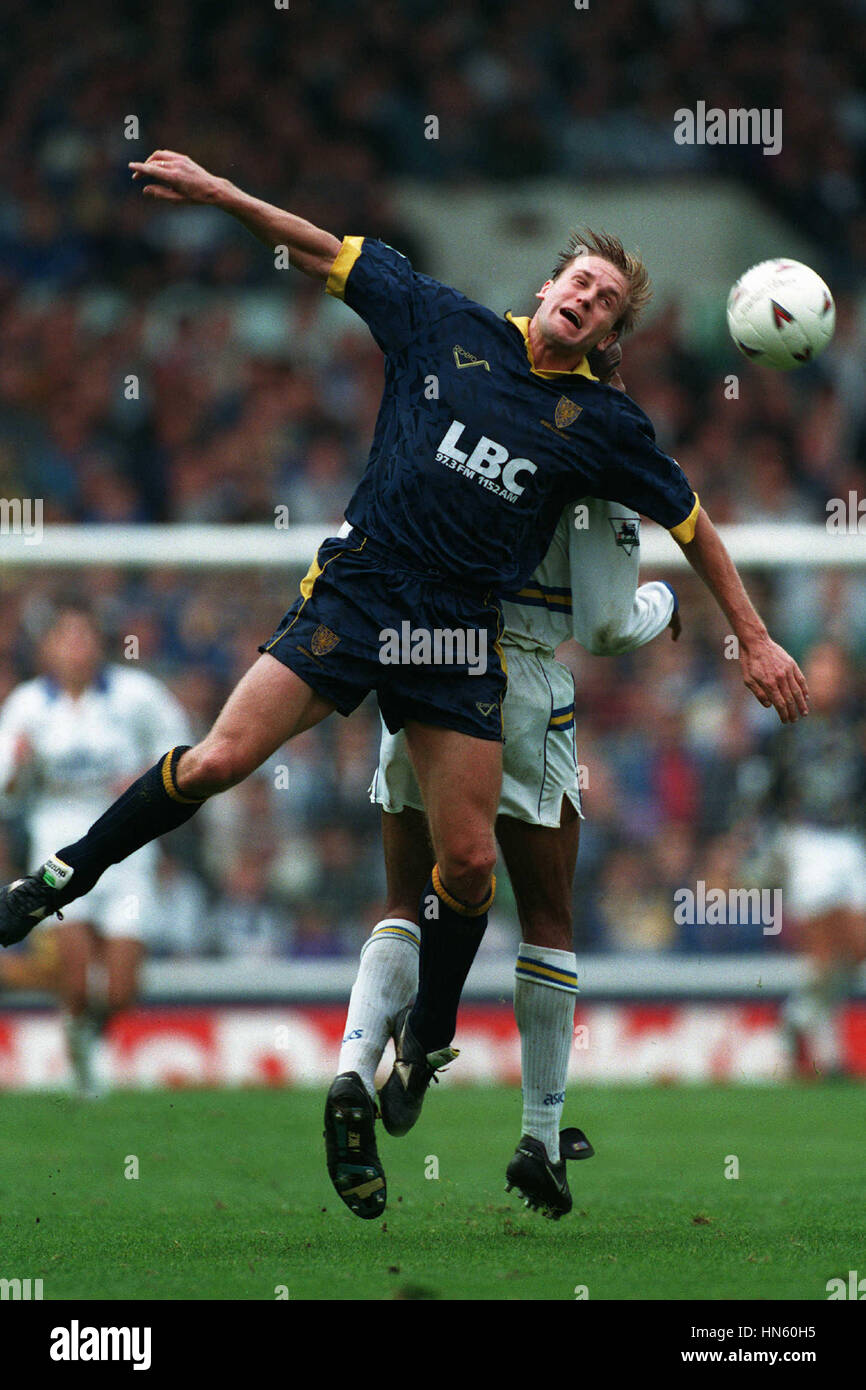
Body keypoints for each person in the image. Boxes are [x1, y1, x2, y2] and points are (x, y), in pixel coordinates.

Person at [0, 152, 806, 1131]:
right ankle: (57, 880)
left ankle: (420, 1043)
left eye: (603, 304)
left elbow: (691, 525)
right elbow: (314, 248)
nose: (585, 301)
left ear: (604, 334)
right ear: (546, 284)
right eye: (578, 282)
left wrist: (755, 642)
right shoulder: (440, 319)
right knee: (219, 758)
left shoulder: (599, 422)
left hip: (457, 635)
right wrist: (222, 195)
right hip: (359, 591)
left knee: (465, 866)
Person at [325, 426, 682, 1219]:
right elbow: (607, 628)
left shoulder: (466, 417)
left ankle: (353, 1066)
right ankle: (540, 1138)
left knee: (403, 901)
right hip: (518, 683)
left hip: (422, 661)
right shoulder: (603, 458)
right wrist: (668, 600)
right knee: (548, 916)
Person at [0, 604, 190, 1094]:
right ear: (48, 648)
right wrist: (18, 769)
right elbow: (9, 793)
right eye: (64, 637)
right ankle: (79, 1049)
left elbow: (182, 750)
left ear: (99, 644)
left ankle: (84, 1031)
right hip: (58, 846)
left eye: (83, 636)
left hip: (127, 848)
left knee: (122, 990)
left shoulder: (137, 695)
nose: (75, 647)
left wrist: (149, 780)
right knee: (77, 977)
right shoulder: (26, 705)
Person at [767, 641, 866, 1076]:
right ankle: (830, 1055)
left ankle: (798, 1016)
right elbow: (769, 791)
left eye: (834, 671)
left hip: (849, 840)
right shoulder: (788, 728)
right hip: (807, 841)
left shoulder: (856, 726)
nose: (827, 680)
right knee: (825, 952)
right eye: (820, 670)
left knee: (856, 947)